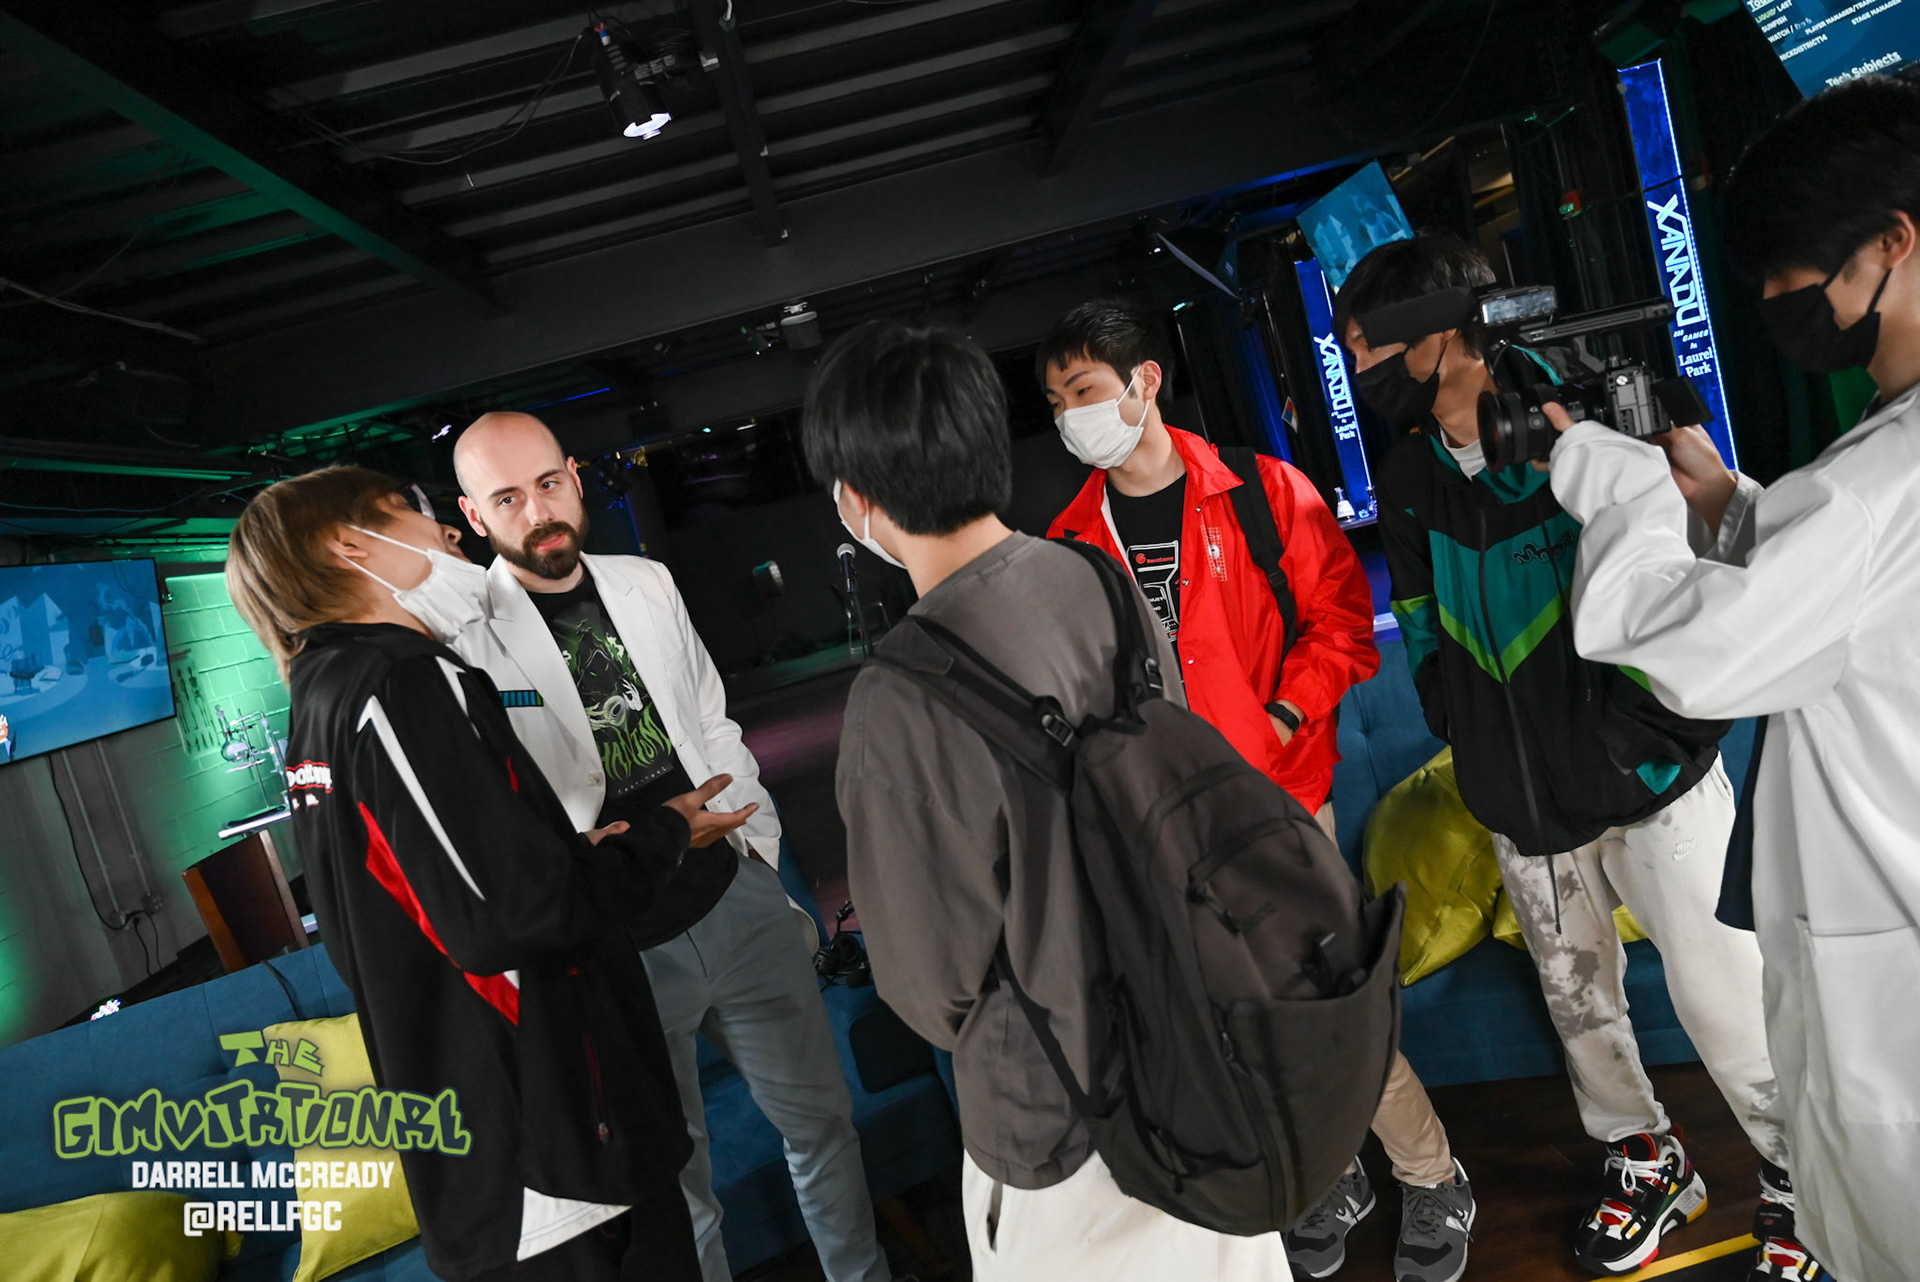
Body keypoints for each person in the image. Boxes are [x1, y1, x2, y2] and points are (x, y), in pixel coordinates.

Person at [1338, 231, 1823, 1281]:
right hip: (1518, 799)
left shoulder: (1586, 422)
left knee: (1727, 1001)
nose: (1359, 368)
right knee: (1579, 1003)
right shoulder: (1411, 469)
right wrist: (1463, 723)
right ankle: (1647, 1159)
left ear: (1445, 335)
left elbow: (1697, 574)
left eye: (1370, 344)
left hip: (1651, 784)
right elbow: (1417, 617)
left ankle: (1803, 1185)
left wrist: (1644, 735)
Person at [815, 318, 1301, 1280]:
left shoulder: (897, 697)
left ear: (857, 496)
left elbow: (928, 984)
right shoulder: (1101, 583)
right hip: (1202, 1053)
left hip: (1061, 1124)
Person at [1547, 73, 1920, 1282]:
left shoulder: (1873, 485)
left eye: (1787, 270)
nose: (1772, 303)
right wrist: (1730, 508)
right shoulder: (1876, 482)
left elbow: (1684, 648)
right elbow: (1859, 609)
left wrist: (1627, 489)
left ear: (1892, 242)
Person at [225, 465, 754, 1281]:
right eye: (413, 512)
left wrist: (570, 856)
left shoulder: (321, 697)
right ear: (346, 544)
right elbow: (512, 918)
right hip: (552, 1144)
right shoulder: (397, 681)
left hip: (513, 1140)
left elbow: (440, 888)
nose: (447, 533)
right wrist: (663, 836)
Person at [1038, 299, 1473, 1282]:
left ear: (1145, 381)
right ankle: (1329, 1179)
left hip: (1280, 806)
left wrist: (1280, 714)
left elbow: (1344, 623)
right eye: (1057, 403)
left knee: (1326, 1007)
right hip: (1166, 830)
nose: (1072, 416)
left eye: (1085, 390)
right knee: (1237, 1026)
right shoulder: (1069, 542)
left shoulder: (1262, 491)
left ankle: (1433, 1175)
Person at [447, 413, 894, 1282]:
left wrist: (758, 845)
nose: (537, 512)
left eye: (548, 484)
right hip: (619, 948)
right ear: (473, 515)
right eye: (507, 499)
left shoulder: (645, 581)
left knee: (824, 1125)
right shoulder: (468, 640)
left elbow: (710, 719)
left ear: (575, 476)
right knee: (680, 1186)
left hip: (735, 898)